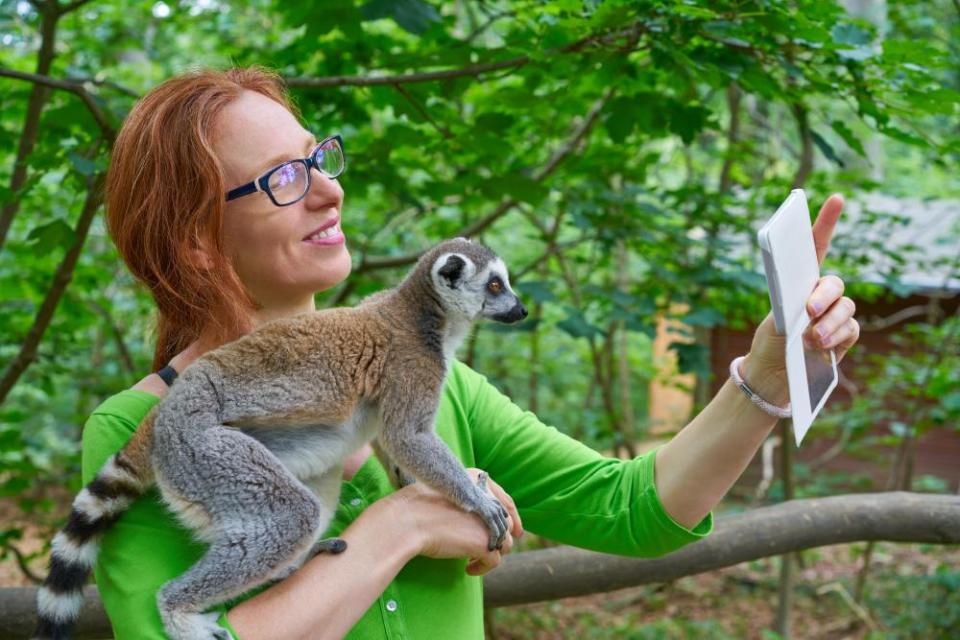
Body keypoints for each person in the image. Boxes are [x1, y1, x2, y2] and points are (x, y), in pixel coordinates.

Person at [84, 66, 860, 640]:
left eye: (320, 159)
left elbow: (635, 511)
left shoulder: (434, 381)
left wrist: (763, 378)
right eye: (285, 177)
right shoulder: (142, 424)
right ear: (194, 239)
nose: (329, 191)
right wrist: (402, 528)